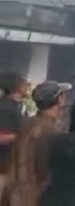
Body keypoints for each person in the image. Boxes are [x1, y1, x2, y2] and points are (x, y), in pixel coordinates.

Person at [2, 81, 68, 206]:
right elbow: (45, 169)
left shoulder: (26, 123)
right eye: (63, 94)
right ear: (59, 99)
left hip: (14, 193)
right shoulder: (52, 130)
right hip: (35, 196)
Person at [0, 72, 28, 200]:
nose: (27, 87)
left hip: (10, 168)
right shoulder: (5, 108)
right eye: (24, 84)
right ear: (17, 87)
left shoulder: (17, 107)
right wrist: (23, 137)